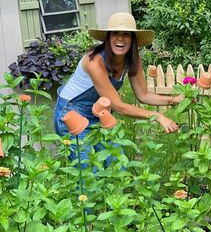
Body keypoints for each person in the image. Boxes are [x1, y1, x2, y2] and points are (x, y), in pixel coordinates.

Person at [53, 12, 183, 166]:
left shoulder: (132, 59)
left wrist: (173, 100)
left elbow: (144, 95)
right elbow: (117, 106)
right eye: (115, 33)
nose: (120, 39)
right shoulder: (94, 61)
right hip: (72, 114)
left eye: (126, 34)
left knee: (117, 166)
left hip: (100, 115)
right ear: (108, 37)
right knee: (89, 175)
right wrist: (157, 116)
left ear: (133, 40)